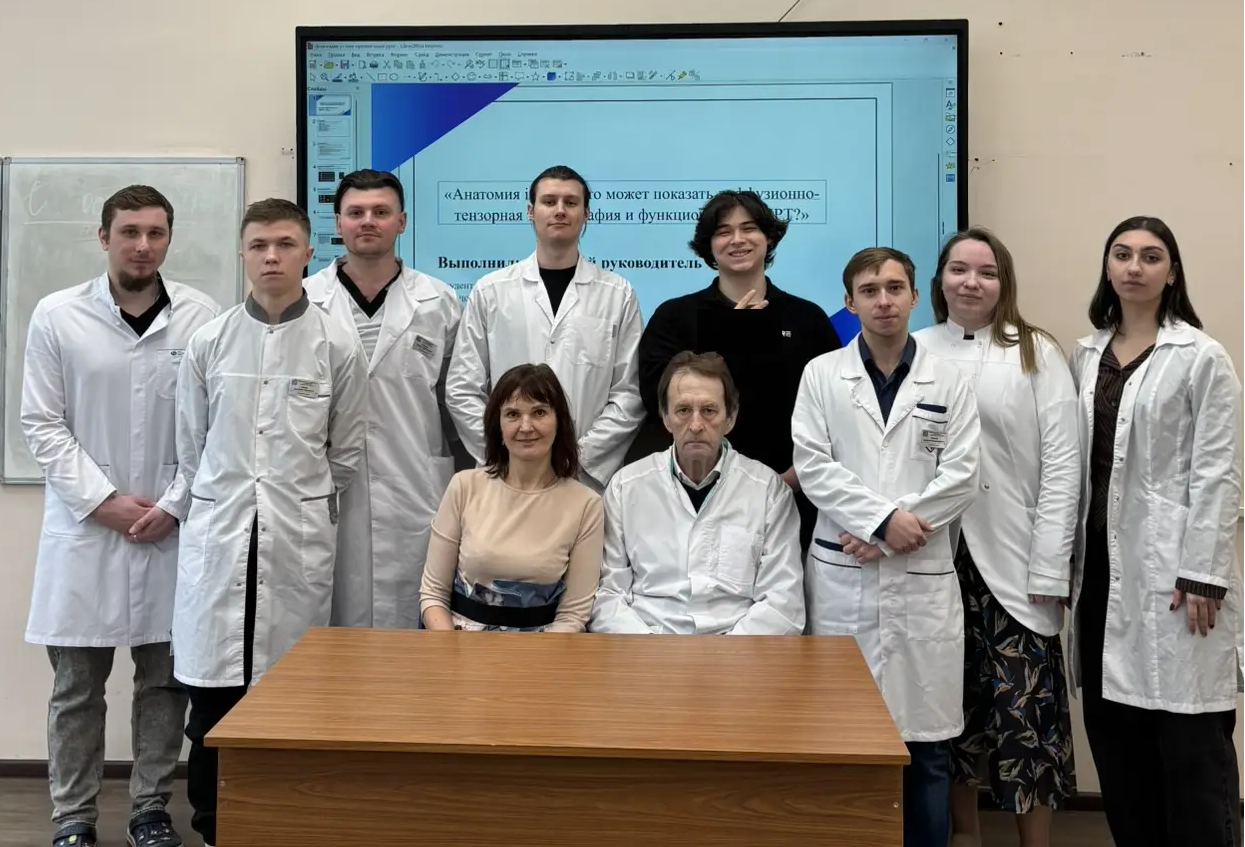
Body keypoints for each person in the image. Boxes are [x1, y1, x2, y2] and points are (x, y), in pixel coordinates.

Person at [21, 185, 220, 847]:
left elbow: (212, 428)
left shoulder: (202, 317)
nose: (142, 245)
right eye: (129, 231)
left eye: (155, 233)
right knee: (77, 687)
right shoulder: (58, 315)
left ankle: (149, 810)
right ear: (103, 236)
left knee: (164, 683)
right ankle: (73, 817)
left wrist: (174, 502)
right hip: (85, 530)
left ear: (169, 238)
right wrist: (101, 501)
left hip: (171, 529)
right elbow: (41, 423)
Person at [171, 198, 368, 847]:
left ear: (309, 253)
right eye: (259, 245)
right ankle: (211, 825)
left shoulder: (337, 342)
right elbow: (191, 447)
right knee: (214, 697)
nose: (272, 257)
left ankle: (285, 821)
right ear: (242, 253)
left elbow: (345, 452)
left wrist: (299, 499)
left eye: (285, 245)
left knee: (289, 692)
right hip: (224, 533)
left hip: (294, 537)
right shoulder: (210, 341)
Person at [792, 246, 980, 847]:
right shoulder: (822, 374)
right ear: (849, 303)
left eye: (895, 288)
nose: (883, 301)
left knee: (926, 751)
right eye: (869, 291)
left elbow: (963, 475)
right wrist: (882, 523)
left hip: (920, 576)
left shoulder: (949, 380)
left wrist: (896, 530)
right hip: (844, 573)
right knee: (843, 744)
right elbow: (813, 465)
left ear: (915, 297)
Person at [1068, 216, 1242, 847]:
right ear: (1107, 267)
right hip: (1100, 574)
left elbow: (1220, 471)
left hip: (1178, 576)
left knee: (1191, 749)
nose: (1134, 267)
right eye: (1122, 254)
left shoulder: (1201, 356)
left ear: (1172, 273)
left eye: (1150, 256)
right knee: (1119, 747)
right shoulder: (1085, 354)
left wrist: (1204, 574)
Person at [913, 228, 1079, 847]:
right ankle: (965, 835)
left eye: (986, 272)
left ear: (1003, 283)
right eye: (959, 269)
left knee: (1025, 714)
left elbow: (1063, 466)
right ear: (940, 279)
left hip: (1016, 561)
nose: (971, 282)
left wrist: (1051, 566)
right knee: (948, 709)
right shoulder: (918, 348)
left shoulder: (1036, 352)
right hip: (937, 556)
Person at [634, 190, 841, 551]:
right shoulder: (674, 317)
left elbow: (836, 409)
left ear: (768, 237)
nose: (737, 240)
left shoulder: (807, 318)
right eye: (723, 231)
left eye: (749, 228)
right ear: (708, 245)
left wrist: (794, 478)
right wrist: (731, 336)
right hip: (694, 493)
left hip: (792, 492)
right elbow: (657, 400)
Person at [305, 169, 462, 629]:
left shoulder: (438, 301)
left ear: (402, 221)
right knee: (334, 625)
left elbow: (457, 399)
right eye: (355, 213)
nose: (368, 221)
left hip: (415, 480)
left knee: (415, 622)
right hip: (329, 484)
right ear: (338, 223)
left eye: (381, 211)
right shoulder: (305, 301)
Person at [445, 164, 644, 493]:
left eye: (571, 202)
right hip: (505, 476)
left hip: (583, 478)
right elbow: (462, 388)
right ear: (530, 211)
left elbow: (629, 393)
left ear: (586, 214)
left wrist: (577, 455)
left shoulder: (617, 294)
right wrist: (507, 451)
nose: (560, 211)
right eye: (549, 201)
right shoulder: (491, 291)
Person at [591, 351, 804, 635]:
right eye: (683, 410)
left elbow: (783, 604)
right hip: (646, 645)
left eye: (709, 410)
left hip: (739, 649)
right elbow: (607, 597)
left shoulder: (769, 492)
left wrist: (724, 655)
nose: (695, 425)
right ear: (666, 418)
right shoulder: (625, 487)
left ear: (730, 417)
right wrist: (650, 649)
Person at [421, 363, 603, 632]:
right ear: (498, 426)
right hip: (458, 643)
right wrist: (450, 651)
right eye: (513, 414)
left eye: (539, 412)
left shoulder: (586, 505)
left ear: (559, 422)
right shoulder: (464, 486)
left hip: (545, 648)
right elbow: (433, 593)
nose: (526, 426)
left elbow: (573, 615)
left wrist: (533, 659)